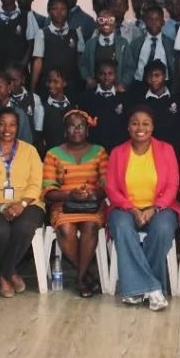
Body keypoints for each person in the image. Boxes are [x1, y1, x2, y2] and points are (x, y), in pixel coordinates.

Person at [105, 106, 179, 310]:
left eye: (146, 123)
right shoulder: (118, 152)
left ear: (153, 127)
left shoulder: (166, 149)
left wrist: (155, 208)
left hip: (160, 208)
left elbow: (173, 185)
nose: (140, 128)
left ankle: (137, 288)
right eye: (135, 123)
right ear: (128, 127)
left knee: (163, 229)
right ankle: (153, 289)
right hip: (125, 208)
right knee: (121, 227)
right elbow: (111, 188)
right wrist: (133, 209)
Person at [0, 107, 46, 298]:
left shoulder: (30, 151)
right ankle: (12, 273)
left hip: (28, 202)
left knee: (24, 227)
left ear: (18, 127)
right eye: (2, 124)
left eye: (12, 125)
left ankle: (5, 276)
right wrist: (1, 206)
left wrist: (21, 205)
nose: (7, 129)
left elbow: (36, 184)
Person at [42, 109, 109, 297]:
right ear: (65, 131)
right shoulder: (53, 154)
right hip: (63, 204)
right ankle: (85, 275)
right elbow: (48, 191)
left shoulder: (100, 152)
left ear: (87, 130)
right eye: (72, 126)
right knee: (65, 229)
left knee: (90, 226)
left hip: (92, 205)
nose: (76, 130)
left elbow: (106, 185)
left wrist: (92, 194)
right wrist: (70, 195)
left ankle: (80, 279)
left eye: (81, 126)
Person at [31, 0, 86, 96]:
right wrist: (33, 87)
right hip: (49, 84)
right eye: (55, 9)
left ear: (68, 12)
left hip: (71, 83)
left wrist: (84, 79)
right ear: (49, 11)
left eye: (63, 9)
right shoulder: (42, 33)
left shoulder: (76, 33)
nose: (59, 12)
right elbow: (38, 61)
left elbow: (81, 59)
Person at [126, 3, 175, 98]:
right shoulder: (136, 43)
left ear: (163, 22)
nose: (153, 22)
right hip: (140, 84)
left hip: (164, 85)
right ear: (145, 21)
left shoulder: (170, 44)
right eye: (150, 19)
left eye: (157, 19)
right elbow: (130, 66)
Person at [79, 59, 129, 151]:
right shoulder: (87, 96)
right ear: (96, 75)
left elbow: (126, 124)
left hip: (117, 147)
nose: (106, 77)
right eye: (102, 74)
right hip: (93, 147)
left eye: (110, 74)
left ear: (115, 75)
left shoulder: (123, 97)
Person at [80, 9, 131, 90]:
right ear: (97, 23)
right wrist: (88, 78)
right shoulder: (90, 44)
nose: (106, 23)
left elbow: (130, 67)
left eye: (110, 20)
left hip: (117, 88)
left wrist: (123, 83)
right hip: (95, 87)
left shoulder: (123, 43)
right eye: (102, 20)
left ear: (115, 23)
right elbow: (83, 64)